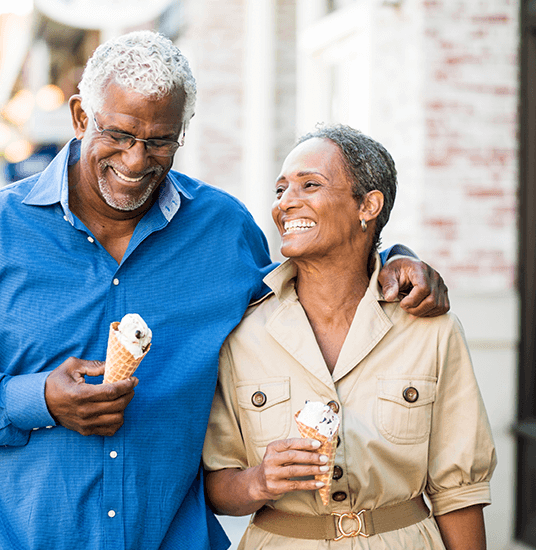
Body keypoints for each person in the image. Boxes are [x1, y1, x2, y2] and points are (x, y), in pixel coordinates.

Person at [0, 32, 449, 550]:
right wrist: (37, 399)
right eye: (119, 134)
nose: (136, 160)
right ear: (82, 116)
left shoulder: (221, 230)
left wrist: (391, 258)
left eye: (159, 142)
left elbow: (310, 293)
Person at [202, 124, 496, 549]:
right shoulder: (243, 333)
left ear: (368, 205)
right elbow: (214, 484)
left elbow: (459, 493)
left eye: (310, 185)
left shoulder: (431, 330)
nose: (286, 202)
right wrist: (258, 481)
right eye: (281, 189)